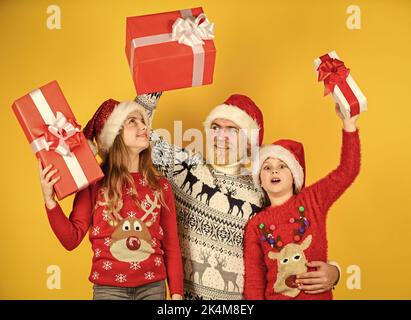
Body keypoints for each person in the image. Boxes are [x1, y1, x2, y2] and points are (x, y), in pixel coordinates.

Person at [135, 93, 341, 300]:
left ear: (250, 143)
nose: (221, 136)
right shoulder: (184, 169)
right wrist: (150, 93)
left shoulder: (264, 188)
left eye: (232, 130)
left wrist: (335, 272)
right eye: (215, 128)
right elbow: (133, 136)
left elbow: (297, 235)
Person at [39, 99, 183, 300]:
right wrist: (50, 201)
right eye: (132, 121)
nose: (143, 126)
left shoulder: (161, 186)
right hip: (108, 290)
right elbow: (70, 239)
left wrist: (176, 294)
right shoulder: (94, 183)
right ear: (114, 134)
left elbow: (171, 245)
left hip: (153, 288)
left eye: (143, 121)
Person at [243, 104, 361, 299]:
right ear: (260, 180)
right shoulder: (255, 226)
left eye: (282, 166)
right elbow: (254, 284)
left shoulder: (312, 200)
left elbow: (347, 171)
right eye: (267, 167)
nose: (274, 171)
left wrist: (349, 125)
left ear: (294, 175)